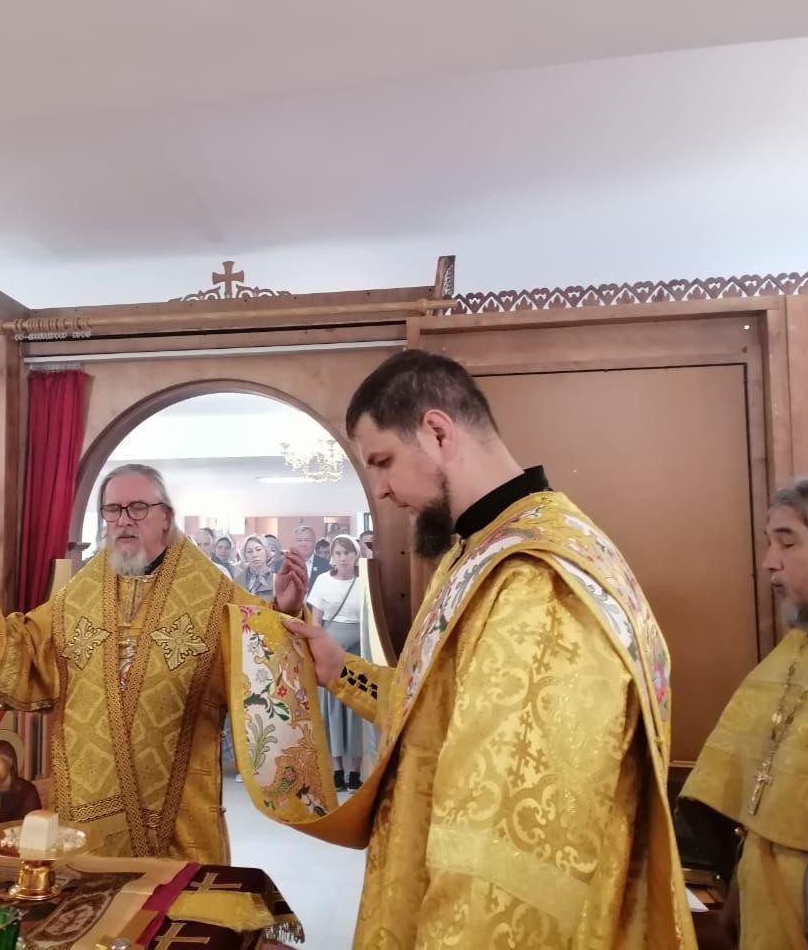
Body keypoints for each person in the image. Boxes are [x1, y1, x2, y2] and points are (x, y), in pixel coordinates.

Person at [277, 350, 694, 947]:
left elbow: (501, 861)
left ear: (437, 431)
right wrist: (341, 669)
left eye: (383, 461)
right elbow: (435, 714)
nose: (381, 489)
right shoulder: (477, 552)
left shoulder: (536, 583)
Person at [0, 463, 307, 862]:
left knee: (178, 898)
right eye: (113, 510)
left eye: (138, 507)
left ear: (166, 517)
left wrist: (285, 610)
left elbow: (261, 659)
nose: (124, 520)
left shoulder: (212, 595)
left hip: (179, 816)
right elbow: (24, 652)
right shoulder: (79, 594)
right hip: (86, 807)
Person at [682, 472, 808, 948]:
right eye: (770, 542)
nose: (770, 561)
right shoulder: (798, 647)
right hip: (767, 882)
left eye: (787, 542)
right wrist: (742, 883)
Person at [305, 534, 365, 792]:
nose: (342, 558)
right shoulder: (322, 581)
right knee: (331, 708)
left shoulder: (364, 581)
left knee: (356, 707)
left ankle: (355, 772)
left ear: (356, 555)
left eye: (347, 553)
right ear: (332, 556)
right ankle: (336, 770)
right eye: (338, 553)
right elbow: (316, 621)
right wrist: (318, 650)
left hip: (358, 652)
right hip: (330, 649)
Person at [237, 534, 275, 602]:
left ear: (266, 551)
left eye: (258, 549)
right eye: (249, 551)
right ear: (245, 555)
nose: (254, 555)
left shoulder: (276, 579)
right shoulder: (238, 580)